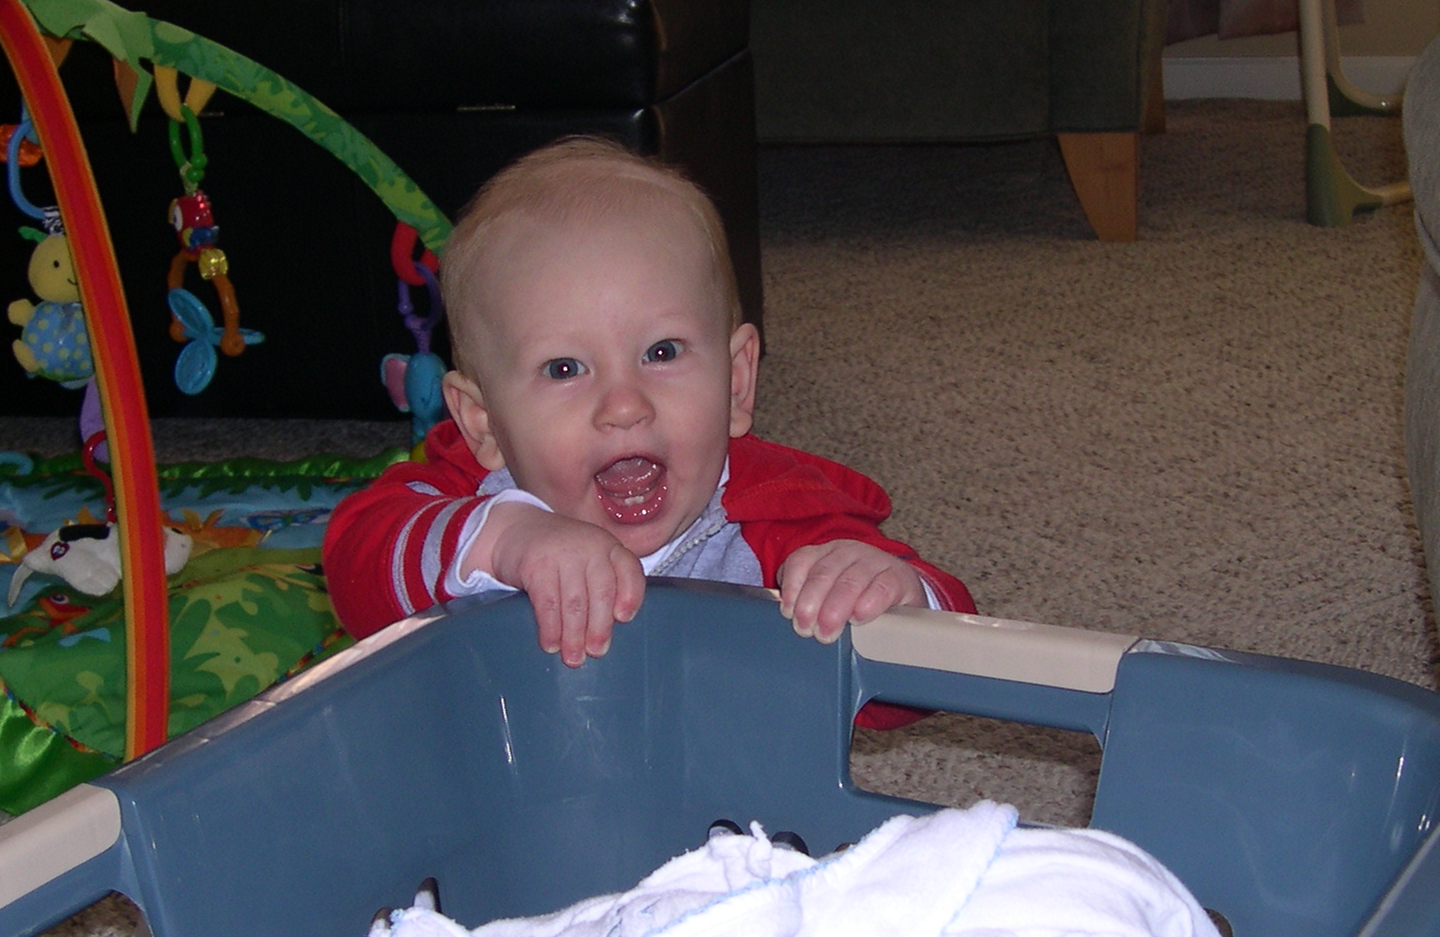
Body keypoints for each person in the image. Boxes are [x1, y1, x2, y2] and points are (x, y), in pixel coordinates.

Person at [324, 138, 973, 668]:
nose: (625, 404)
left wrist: (893, 596)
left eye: (662, 352)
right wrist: (501, 537)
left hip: (729, 812)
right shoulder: (470, 504)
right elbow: (355, 569)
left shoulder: (775, 522)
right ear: (483, 423)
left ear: (737, 382)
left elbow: (949, 661)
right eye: (565, 367)